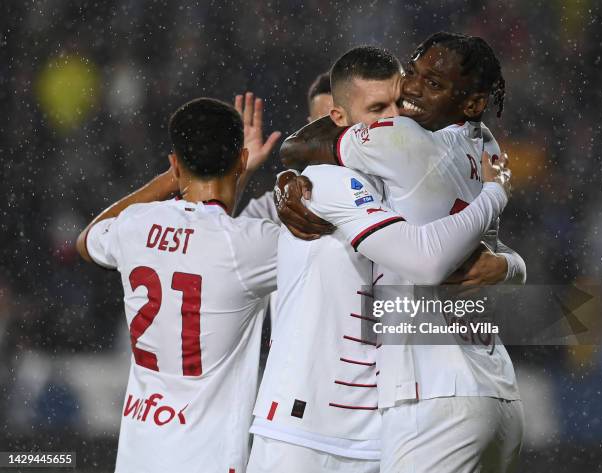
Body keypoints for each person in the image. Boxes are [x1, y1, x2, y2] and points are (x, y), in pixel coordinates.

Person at [247, 45, 512, 473]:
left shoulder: (414, 179)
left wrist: (506, 266)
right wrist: (497, 192)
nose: (395, 117)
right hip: (303, 425)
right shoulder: (320, 185)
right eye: (377, 108)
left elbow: (472, 247)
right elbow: (426, 258)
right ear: (338, 124)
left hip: (383, 424)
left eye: (397, 103)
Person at [75, 98, 279, 473]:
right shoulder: (254, 244)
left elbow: (87, 239)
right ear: (240, 159)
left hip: (139, 453)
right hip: (208, 458)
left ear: (174, 162)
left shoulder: (134, 225)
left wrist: (175, 177)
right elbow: (220, 244)